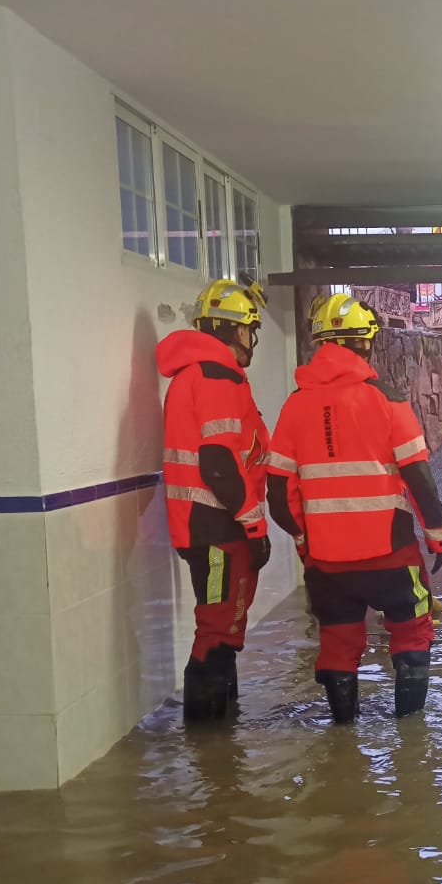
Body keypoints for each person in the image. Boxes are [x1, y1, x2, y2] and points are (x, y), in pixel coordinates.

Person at [266, 293, 442, 724]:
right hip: (391, 552)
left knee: (337, 639)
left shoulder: (295, 405)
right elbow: (419, 479)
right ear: (364, 343)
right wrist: (436, 536)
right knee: (412, 630)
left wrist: (303, 539)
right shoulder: (388, 400)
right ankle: (411, 741)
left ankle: (343, 735)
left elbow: (277, 493)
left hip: (327, 562)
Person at [157, 277, 273, 723]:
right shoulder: (216, 376)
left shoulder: (199, 375)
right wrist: (255, 526)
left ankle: (221, 760)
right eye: (250, 330)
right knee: (216, 634)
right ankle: (212, 761)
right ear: (236, 330)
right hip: (217, 526)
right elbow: (219, 463)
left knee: (223, 629)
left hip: (206, 525)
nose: (251, 341)